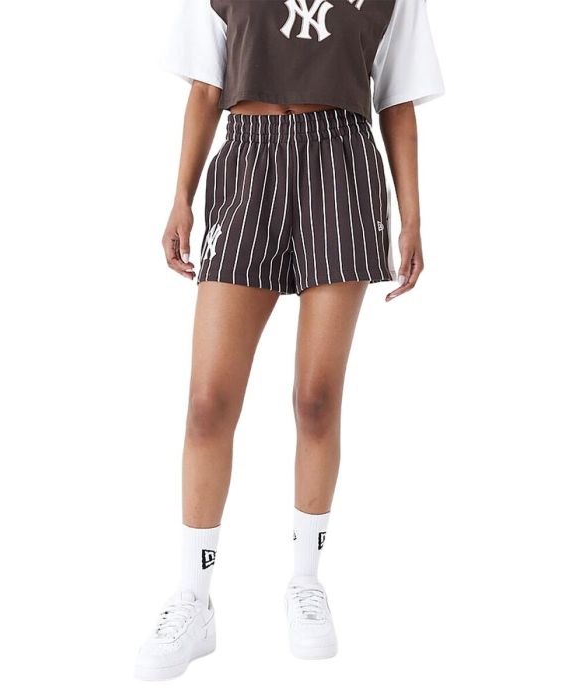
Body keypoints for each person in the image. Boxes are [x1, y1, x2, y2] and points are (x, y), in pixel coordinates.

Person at [135, 0, 444, 680]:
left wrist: (412, 217)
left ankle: (305, 580)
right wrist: (181, 196)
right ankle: (193, 598)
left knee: (315, 399)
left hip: (342, 166)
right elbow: (207, 88)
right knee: (208, 402)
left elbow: (396, 102)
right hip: (248, 160)